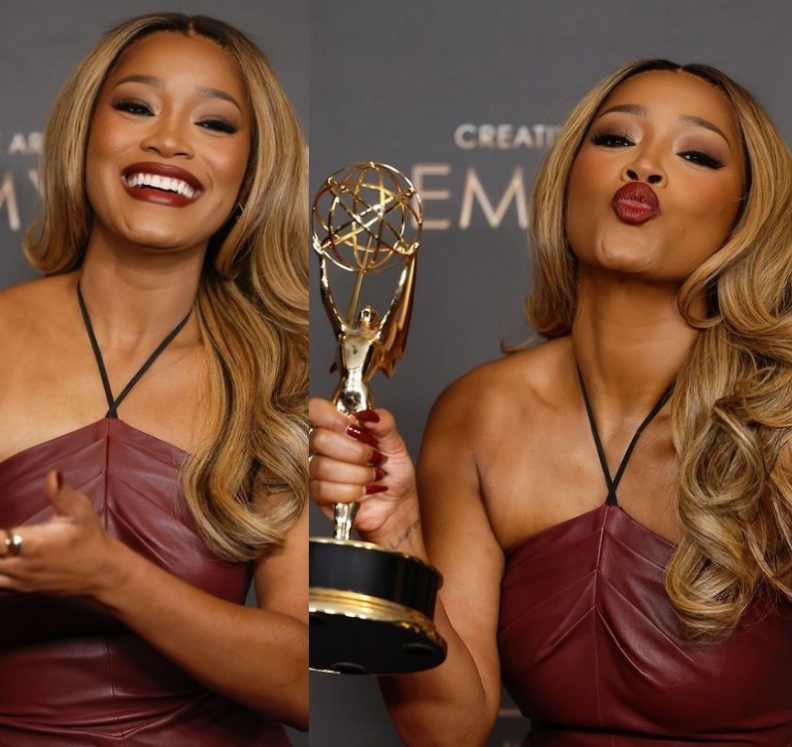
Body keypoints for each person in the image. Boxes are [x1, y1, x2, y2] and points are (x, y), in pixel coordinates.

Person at [0, 13, 307, 746]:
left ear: (251, 174)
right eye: (136, 106)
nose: (168, 139)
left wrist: (111, 576)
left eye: (214, 122)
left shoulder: (277, 374)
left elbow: (303, 680)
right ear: (85, 137)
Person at [309, 59, 792, 746]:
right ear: (570, 176)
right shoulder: (480, 413)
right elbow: (445, 728)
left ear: (746, 213)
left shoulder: (780, 417)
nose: (645, 167)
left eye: (695, 153)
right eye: (616, 139)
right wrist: (398, 535)